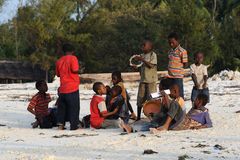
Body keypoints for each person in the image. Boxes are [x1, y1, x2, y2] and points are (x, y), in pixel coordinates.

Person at [120, 84, 185, 133]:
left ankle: (165, 126)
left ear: (175, 91)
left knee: (173, 104)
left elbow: (173, 111)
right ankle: (131, 128)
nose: (169, 93)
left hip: (174, 122)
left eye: (170, 91)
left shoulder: (179, 100)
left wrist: (166, 98)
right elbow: (167, 110)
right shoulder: (172, 101)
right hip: (167, 121)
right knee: (150, 124)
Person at [56, 43, 80, 130]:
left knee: (62, 108)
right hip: (72, 87)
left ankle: (60, 124)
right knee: (74, 108)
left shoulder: (59, 61)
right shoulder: (73, 58)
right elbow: (75, 69)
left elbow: (58, 74)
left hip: (62, 89)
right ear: (73, 51)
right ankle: (74, 125)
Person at [133, 40, 158, 120]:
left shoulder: (152, 55)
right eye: (142, 45)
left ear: (150, 47)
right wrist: (136, 67)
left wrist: (142, 60)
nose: (142, 47)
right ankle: (139, 117)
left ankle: (153, 116)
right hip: (143, 80)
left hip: (151, 81)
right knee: (140, 98)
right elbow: (140, 67)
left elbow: (151, 65)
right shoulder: (141, 55)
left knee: (151, 98)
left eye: (144, 45)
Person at [167, 32, 188, 99]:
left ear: (177, 41)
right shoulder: (170, 51)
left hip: (178, 77)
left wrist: (178, 70)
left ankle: (181, 108)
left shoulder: (182, 51)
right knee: (171, 93)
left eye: (172, 42)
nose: (171, 44)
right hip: (170, 76)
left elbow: (185, 63)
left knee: (179, 94)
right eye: (169, 42)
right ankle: (173, 107)